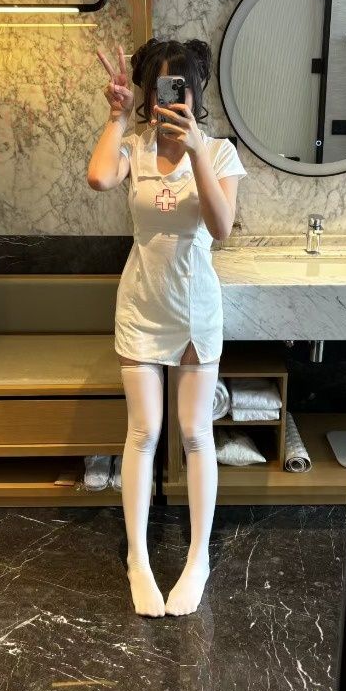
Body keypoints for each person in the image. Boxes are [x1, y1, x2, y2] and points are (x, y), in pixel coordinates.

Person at [87, 38, 248, 617]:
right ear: (147, 92)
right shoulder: (134, 145)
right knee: (143, 432)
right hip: (140, 306)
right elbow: (99, 179)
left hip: (195, 311)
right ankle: (138, 558)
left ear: (196, 92)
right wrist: (116, 116)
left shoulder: (220, 153)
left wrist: (197, 150)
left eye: (179, 86)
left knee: (196, 432)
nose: (168, 98)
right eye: (158, 86)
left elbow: (221, 227)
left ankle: (198, 557)